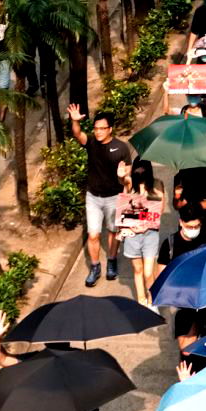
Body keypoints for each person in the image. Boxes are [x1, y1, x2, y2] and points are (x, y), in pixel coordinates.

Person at [68, 103, 132, 286]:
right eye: (96, 128)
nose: (98, 132)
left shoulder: (121, 148)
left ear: (110, 129)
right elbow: (77, 134)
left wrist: (124, 177)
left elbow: (128, 178)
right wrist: (75, 121)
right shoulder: (91, 143)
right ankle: (95, 267)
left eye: (102, 128)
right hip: (93, 197)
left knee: (113, 231)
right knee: (93, 235)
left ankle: (112, 260)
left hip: (114, 197)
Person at [118, 156, 165, 308]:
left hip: (150, 233)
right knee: (137, 270)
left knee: (147, 271)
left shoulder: (158, 185)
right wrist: (122, 176)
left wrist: (145, 224)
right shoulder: (130, 183)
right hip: (132, 234)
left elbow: (159, 210)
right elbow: (124, 182)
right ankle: (141, 300)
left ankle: (153, 300)